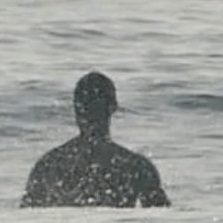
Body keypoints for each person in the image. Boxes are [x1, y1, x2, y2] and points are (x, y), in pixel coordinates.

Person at [21, 71, 171, 208]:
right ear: (113, 107)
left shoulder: (49, 164)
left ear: (76, 108)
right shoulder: (136, 167)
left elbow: (27, 219)